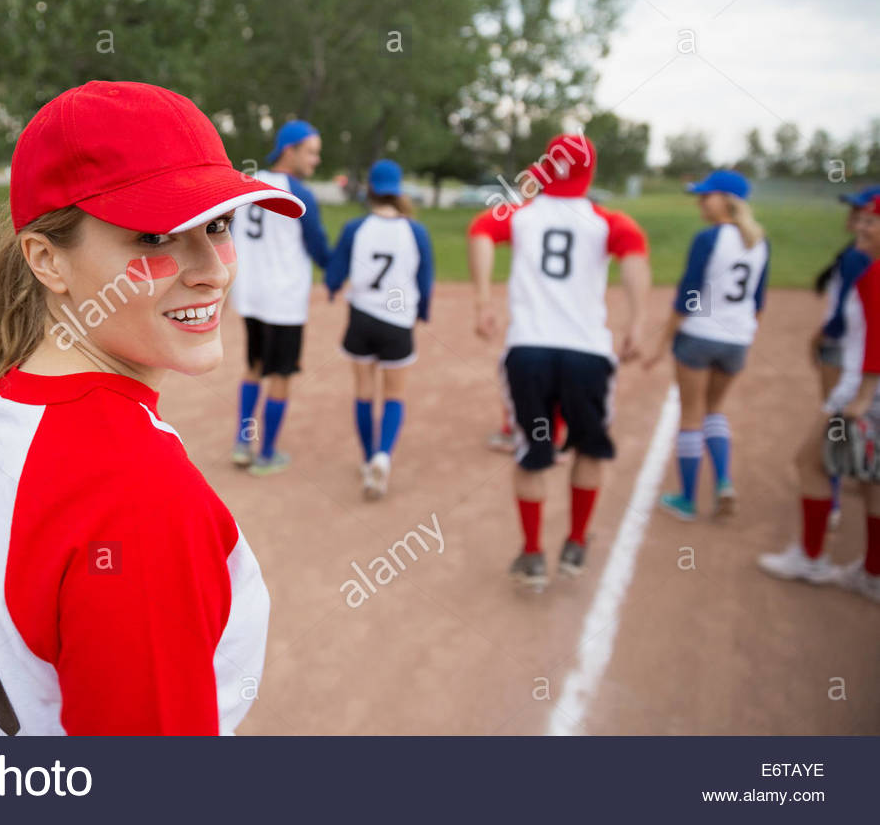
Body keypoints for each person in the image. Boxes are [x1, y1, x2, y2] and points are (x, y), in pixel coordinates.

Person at [0, 80, 306, 734]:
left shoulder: (0, 401)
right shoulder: (137, 493)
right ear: (46, 260)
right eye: (154, 238)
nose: (213, 270)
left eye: (219, 226)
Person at [468, 133, 650, 589]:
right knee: (589, 449)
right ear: (590, 170)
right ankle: (575, 543)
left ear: (545, 166)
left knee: (532, 453)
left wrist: (483, 301)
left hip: (529, 349)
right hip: (587, 352)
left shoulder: (521, 216)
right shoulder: (607, 220)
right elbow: (634, 256)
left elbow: (481, 231)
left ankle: (532, 554)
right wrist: (638, 321)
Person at [757, 193, 880, 603]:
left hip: (864, 385)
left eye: (870, 221)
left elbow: (872, 337)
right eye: (861, 220)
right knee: (873, 478)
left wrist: (861, 394)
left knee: (809, 462)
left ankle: (811, 558)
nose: (861, 227)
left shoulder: (872, 272)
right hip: (865, 381)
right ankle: (872, 572)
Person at [644, 170, 770, 521]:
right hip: (736, 339)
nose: (701, 202)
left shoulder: (709, 238)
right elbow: (758, 301)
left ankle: (687, 498)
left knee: (691, 413)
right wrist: (742, 333)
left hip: (699, 336)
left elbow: (688, 297)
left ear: (726, 201)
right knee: (714, 410)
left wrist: (661, 344)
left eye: (706, 196)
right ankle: (724, 481)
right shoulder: (760, 241)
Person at [324, 159, 434, 499]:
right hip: (398, 322)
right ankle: (384, 455)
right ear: (398, 190)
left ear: (370, 189)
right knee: (394, 394)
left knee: (363, 391)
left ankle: (368, 457)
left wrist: (331, 287)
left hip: (362, 317)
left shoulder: (356, 227)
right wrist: (423, 313)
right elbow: (425, 280)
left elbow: (334, 271)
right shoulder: (415, 231)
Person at [231, 119, 332, 476]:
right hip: (284, 299)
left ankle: (242, 444)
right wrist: (335, 274)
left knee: (254, 365)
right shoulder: (298, 193)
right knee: (281, 374)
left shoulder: (245, 184)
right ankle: (266, 453)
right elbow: (318, 246)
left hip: (250, 294)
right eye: (311, 152)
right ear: (289, 151)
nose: (316, 160)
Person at [810, 186, 877, 528]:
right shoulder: (855, 253)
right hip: (857, 358)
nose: (854, 218)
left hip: (847, 356)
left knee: (827, 441)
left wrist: (820, 338)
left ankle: (830, 503)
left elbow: (842, 316)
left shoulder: (858, 257)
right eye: (856, 211)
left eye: (865, 214)